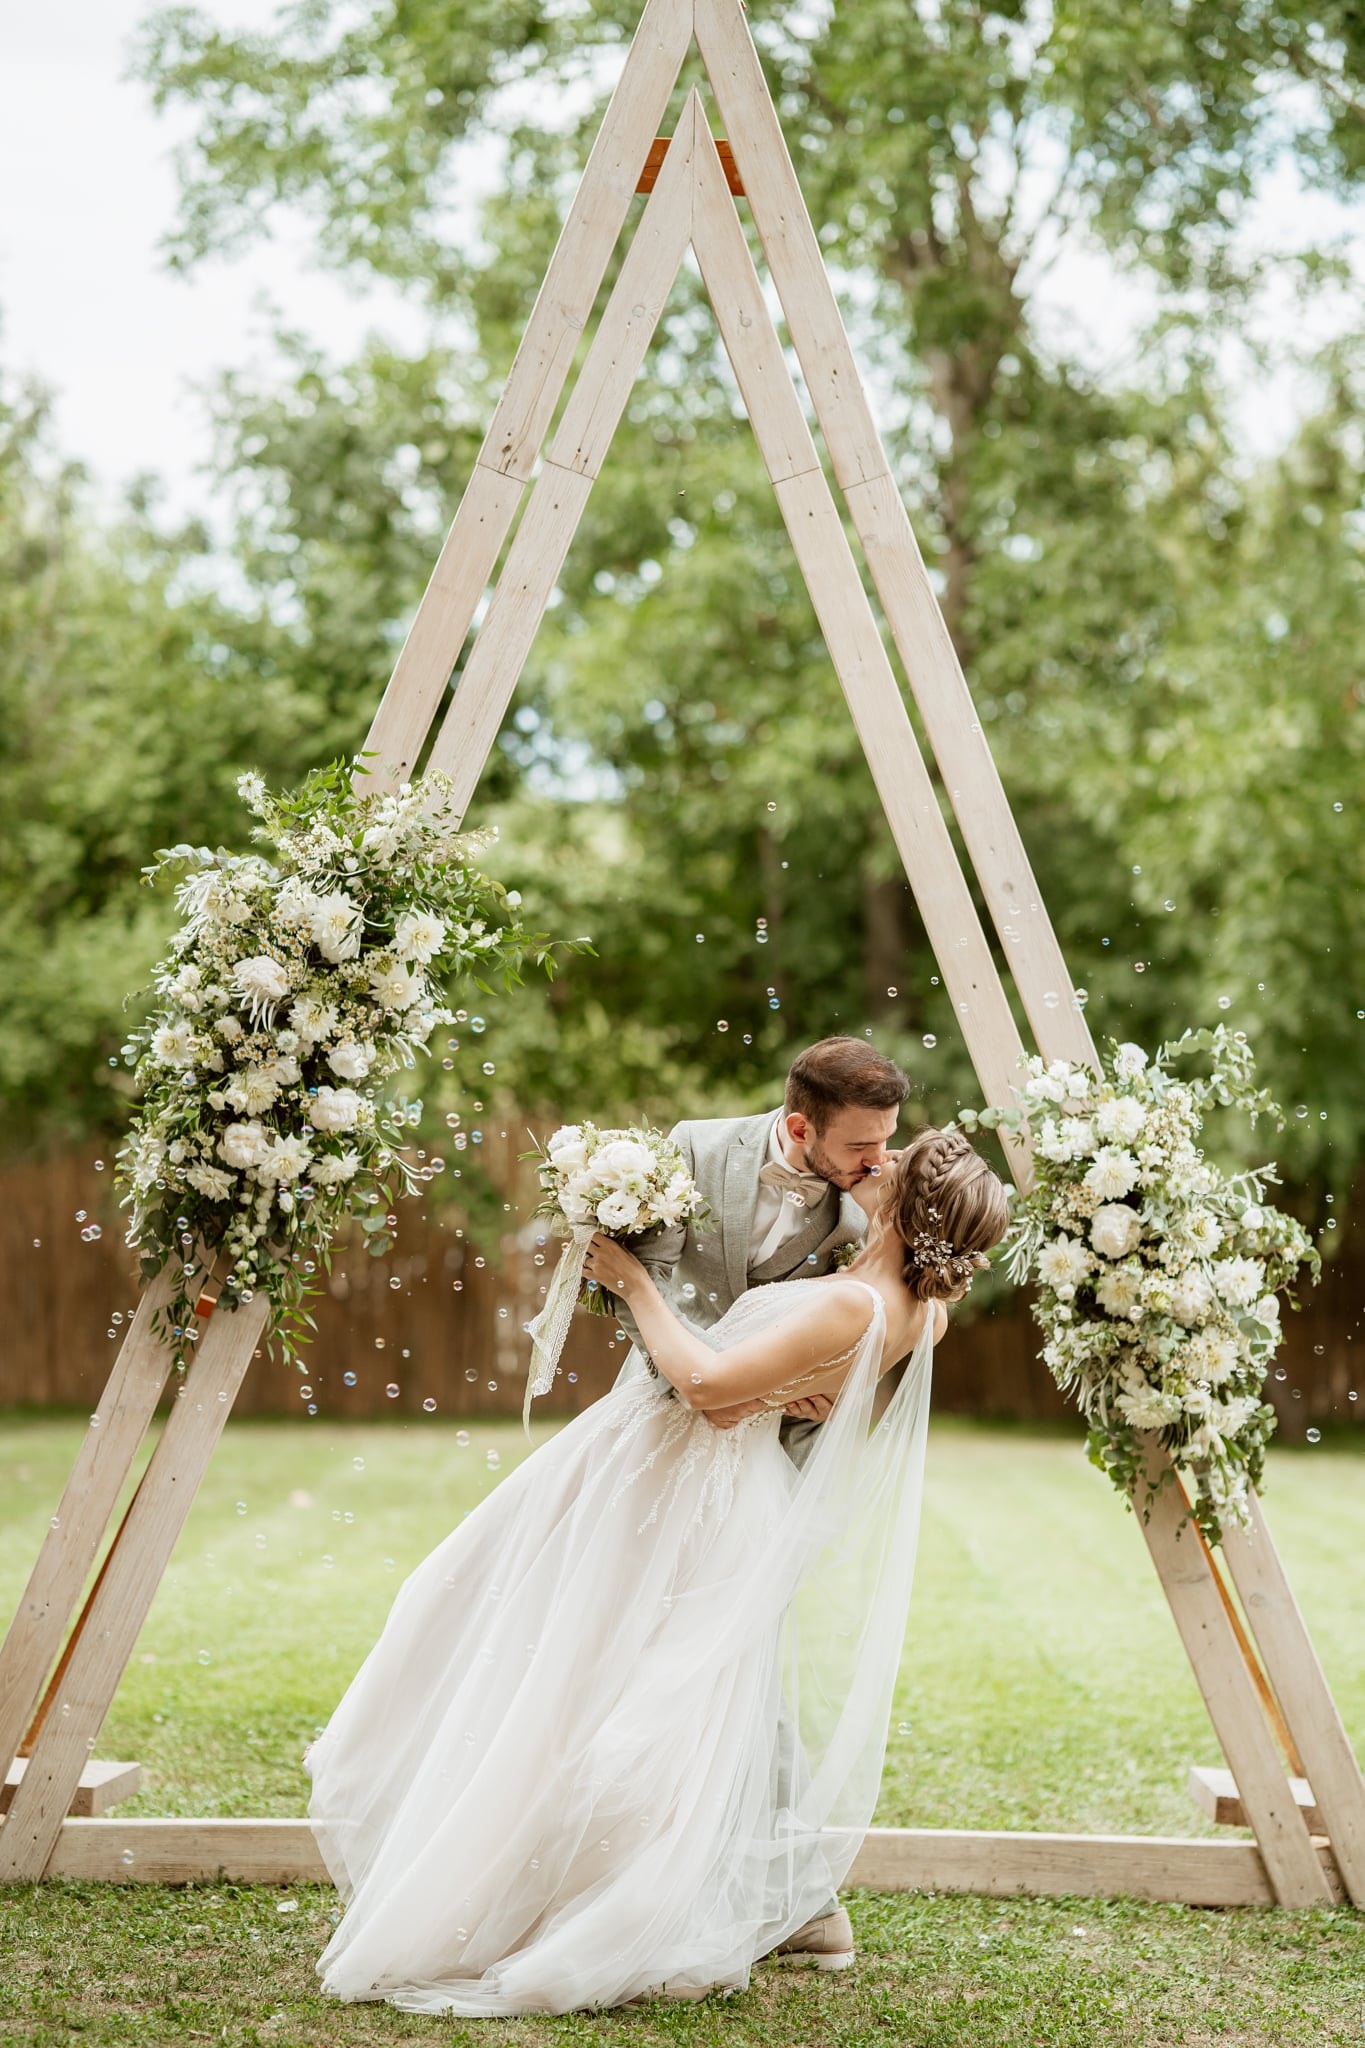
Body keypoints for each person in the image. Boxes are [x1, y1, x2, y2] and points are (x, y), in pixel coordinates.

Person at [307, 1126, 1009, 2017]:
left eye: (894, 1163)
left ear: (909, 1211)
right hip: (703, 1479)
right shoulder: (917, 1306)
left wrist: (638, 1287)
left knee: (589, 1672)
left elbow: (708, 1393)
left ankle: (576, 1896)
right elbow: (805, 1400)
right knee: (603, 1671)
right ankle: (555, 1875)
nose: (879, 1161)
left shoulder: (856, 1305)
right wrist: (774, 1392)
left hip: (684, 1490)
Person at [612, 1035, 912, 1458]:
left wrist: (840, 1389)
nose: (878, 1161)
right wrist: (698, 1385)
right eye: (859, 1146)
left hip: (783, 1442)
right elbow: (640, 1277)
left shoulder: (874, 1202)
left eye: (885, 1140)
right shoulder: (697, 1150)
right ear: (800, 1128)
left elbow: (892, 1314)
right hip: (662, 1411)